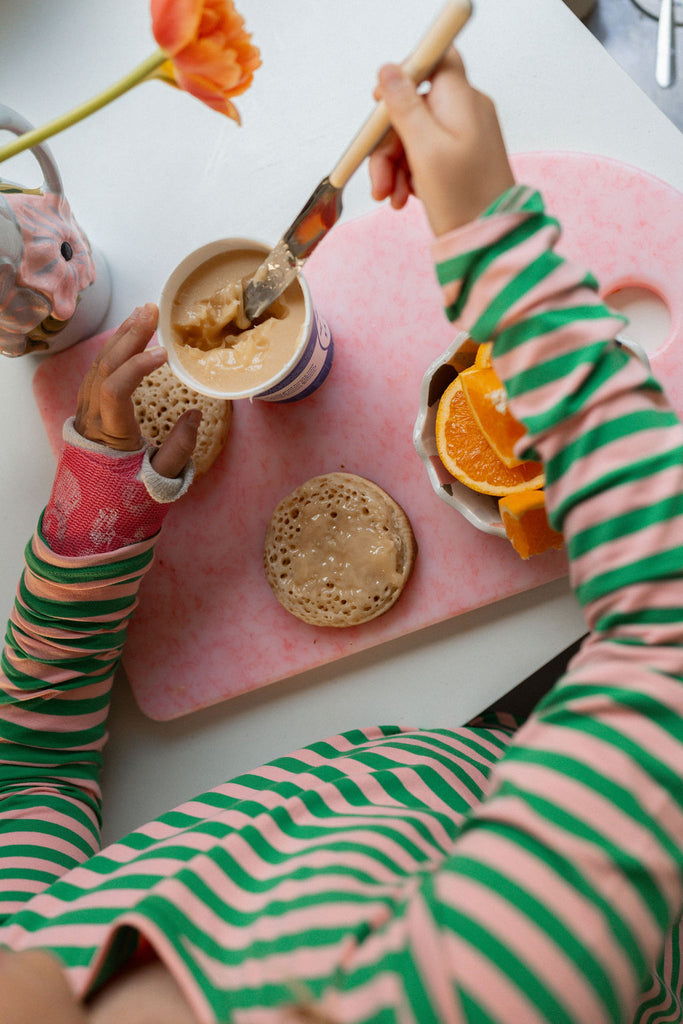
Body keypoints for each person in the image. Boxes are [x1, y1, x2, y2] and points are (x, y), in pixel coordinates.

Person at [1, 47, 682, 1024]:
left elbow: (31, 755)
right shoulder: (458, 991)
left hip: (427, 763)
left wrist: (106, 494)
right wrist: (495, 244)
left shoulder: (27, 934)